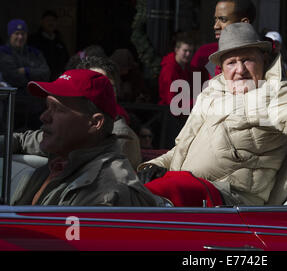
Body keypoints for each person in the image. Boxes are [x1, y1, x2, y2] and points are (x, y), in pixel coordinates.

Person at [137, 23, 287, 206]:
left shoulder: (277, 92)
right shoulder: (212, 91)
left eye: (247, 60)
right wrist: (156, 164)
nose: (240, 69)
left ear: (263, 58)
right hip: (184, 188)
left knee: (141, 199)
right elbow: (183, 146)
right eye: (231, 62)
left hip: (229, 200)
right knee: (126, 186)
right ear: (222, 68)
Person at [11, 69, 165, 206]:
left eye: (57, 109)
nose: (44, 117)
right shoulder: (59, 163)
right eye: (47, 107)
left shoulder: (107, 190)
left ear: (95, 122)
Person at [74, 55, 143, 170]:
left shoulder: (121, 137)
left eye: (109, 87)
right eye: (95, 85)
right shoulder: (69, 122)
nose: (103, 93)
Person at [190, 0, 257, 80]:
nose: (216, 26)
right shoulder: (205, 52)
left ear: (244, 23)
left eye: (223, 20)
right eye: (215, 19)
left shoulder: (266, 57)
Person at [0, 19, 51, 130]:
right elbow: (13, 77)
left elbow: (46, 73)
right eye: (16, 34)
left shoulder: (35, 53)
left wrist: (26, 71)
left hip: (35, 109)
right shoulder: (3, 52)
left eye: (23, 34)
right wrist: (35, 76)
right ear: (10, 35)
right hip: (12, 109)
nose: (20, 37)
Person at [158, 33, 195, 148]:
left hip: (180, 114)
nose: (188, 54)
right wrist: (194, 102)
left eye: (190, 51)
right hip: (170, 117)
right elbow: (172, 101)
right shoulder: (170, 69)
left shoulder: (185, 67)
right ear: (177, 50)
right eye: (185, 50)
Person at [28, 10, 70, 81]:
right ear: (42, 22)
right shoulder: (33, 40)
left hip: (57, 81)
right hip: (39, 80)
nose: (51, 23)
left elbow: (66, 61)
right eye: (48, 20)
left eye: (53, 20)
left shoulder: (60, 43)